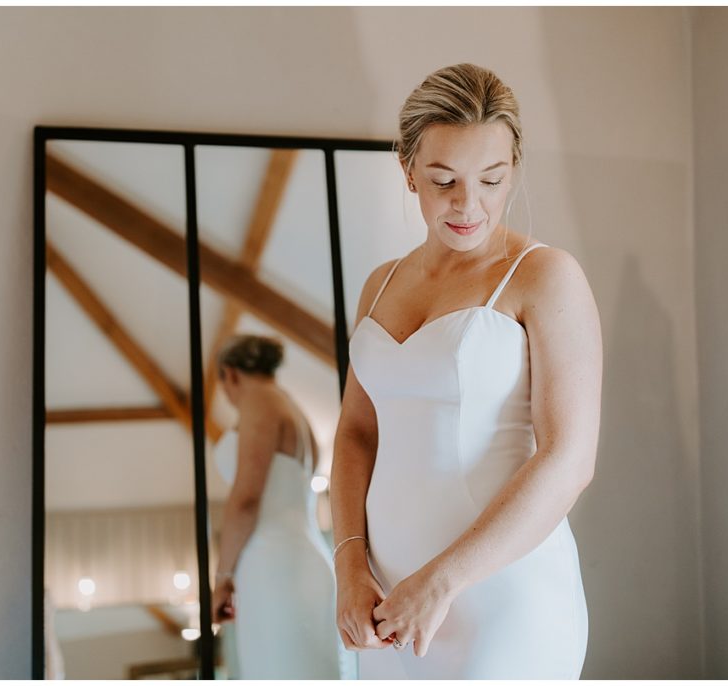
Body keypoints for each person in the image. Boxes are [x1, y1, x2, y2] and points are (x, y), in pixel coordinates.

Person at [330, 63, 601, 679]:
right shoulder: (380, 284)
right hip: (386, 606)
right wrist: (348, 568)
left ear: (514, 169)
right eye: (444, 179)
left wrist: (443, 580)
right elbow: (356, 434)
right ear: (407, 172)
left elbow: (569, 458)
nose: (467, 204)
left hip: (501, 597)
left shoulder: (545, 275)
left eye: (491, 179)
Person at [210, 334, 345, 679]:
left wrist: (223, 577)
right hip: (307, 555)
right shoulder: (293, 408)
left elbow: (246, 500)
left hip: (272, 562)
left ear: (230, 374)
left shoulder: (259, 405)